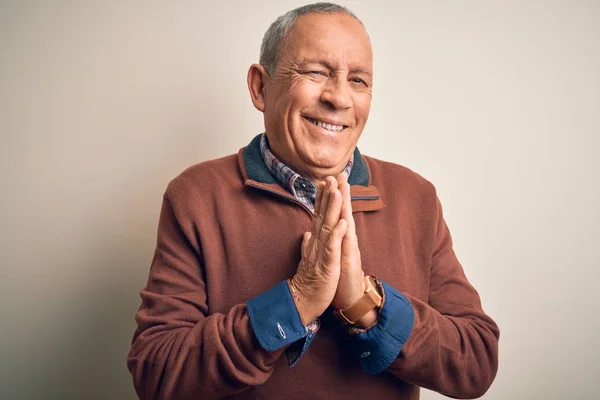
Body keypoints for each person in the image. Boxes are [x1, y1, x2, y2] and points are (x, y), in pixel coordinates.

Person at [127, 3, 499, 399]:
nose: (339, 98)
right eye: (316, 72)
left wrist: (365, 304)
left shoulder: (416, 198)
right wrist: (297, 299)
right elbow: (157, 372)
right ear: (259, 87)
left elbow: (475, 362)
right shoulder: (196, 197)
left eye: (357, 80)